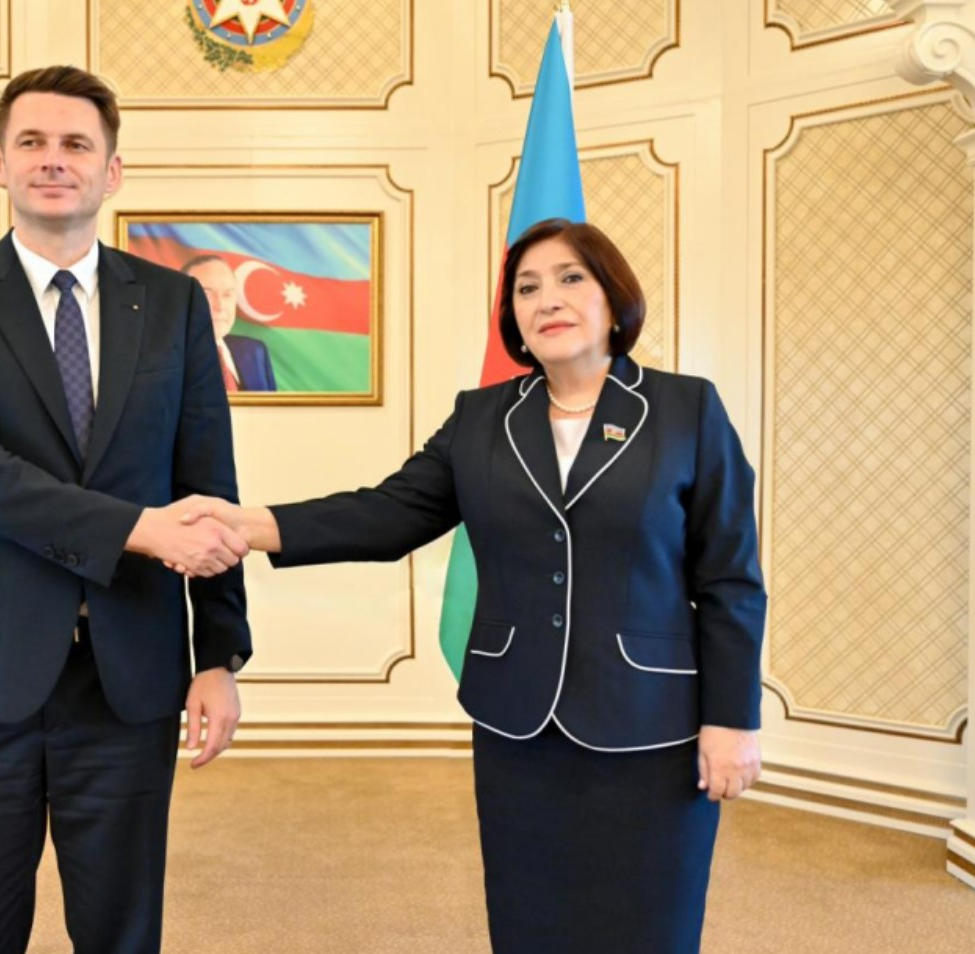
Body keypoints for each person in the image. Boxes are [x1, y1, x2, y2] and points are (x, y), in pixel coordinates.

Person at [180, 219, 766, 953]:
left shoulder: (688, 410)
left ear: (613, 296)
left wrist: (732, 720)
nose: (546, 299)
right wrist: (247, 524)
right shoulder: (483, 418)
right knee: (529, 921)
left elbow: (730, 580)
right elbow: (387, 513)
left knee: (649, 924)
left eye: (569, 278)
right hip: (517, 720)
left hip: (651, 721)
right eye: (526, 288)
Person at [0, 65, 252, 954]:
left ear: (110, 170)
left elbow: (208, 480)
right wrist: (135, 528)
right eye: (32, 142)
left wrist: (219, 654)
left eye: (76, 144)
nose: (54, 160)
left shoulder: (172, 302)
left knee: (122, 930)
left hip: (128, 669)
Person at [182, 254, 277, 392]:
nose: (220, 306)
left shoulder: (255, 352)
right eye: (206, 294)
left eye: (227, 294)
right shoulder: (163, 357)